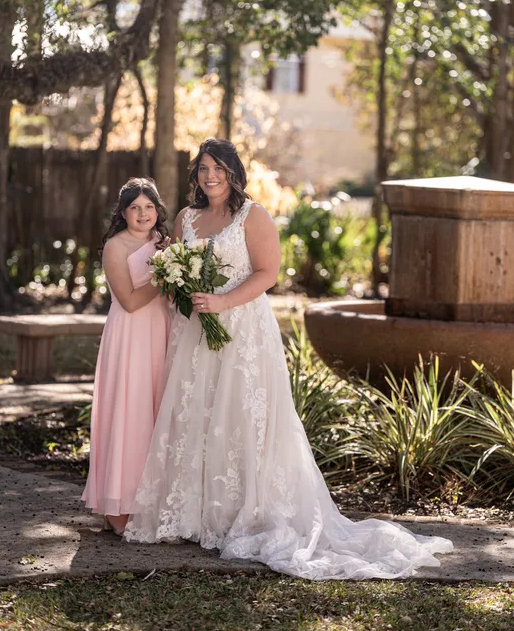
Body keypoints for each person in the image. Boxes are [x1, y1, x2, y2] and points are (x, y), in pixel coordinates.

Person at [124, 141, 453, 579]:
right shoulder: (185, 217)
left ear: (234, 172)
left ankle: (245, 512)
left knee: (241, 415)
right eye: (203, 169)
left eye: (218, 168)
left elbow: (267, 273)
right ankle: (193, 514)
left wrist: (222, 303)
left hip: (242, 331)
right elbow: (168, 263)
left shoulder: (252, 216)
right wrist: (177, 285)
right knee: (196, 413)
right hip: (194, 334)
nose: (210, 176)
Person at [81, 177, 171, 535]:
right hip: (131, 335)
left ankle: (155, 501)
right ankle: (119, 506)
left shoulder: (163, 243)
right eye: (135, 207)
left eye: (149, 207)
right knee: (131, 412)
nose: (143, 213)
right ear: (123, 212)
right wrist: (164, 274)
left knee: (157, 412)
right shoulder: (114, 247)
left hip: (162, 331)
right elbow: (131, 301)